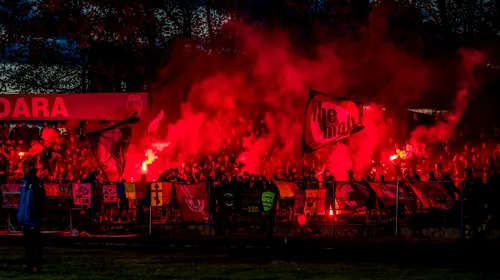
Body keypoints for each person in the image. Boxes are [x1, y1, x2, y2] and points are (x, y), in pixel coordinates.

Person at [17, 158, 46, 273]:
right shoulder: (25, 182)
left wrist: (36, 216)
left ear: (30, 167)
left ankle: (37, 265)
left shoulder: (35, 182)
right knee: (28, 244)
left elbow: (40, 200)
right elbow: (23, 201)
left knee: (35, 243)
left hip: (33, 218)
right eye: (22, 167)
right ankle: (29, 264)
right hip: (26, 218)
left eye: (24, 167)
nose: (22, 169)